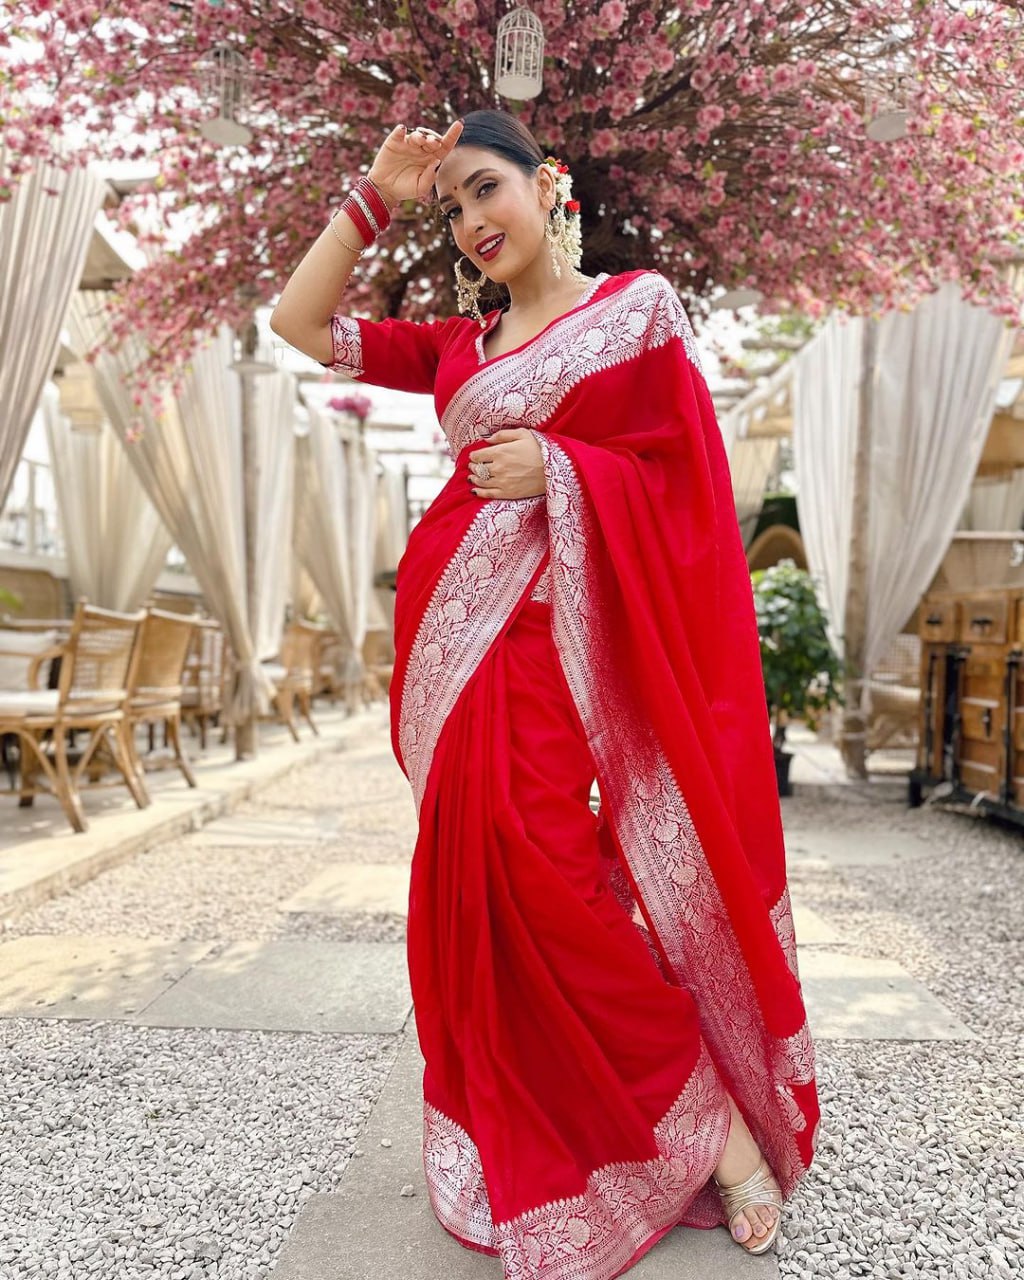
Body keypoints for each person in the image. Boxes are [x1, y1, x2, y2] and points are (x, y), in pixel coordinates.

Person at [271, 107, 820, 1280]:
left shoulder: (634, 311)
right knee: (475, 893)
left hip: (564, 661)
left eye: (487, 190)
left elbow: (685, 487)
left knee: (552, 887)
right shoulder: (459, 353)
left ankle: (717, 1131)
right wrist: (374, 194)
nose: (473, 220)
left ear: (546, 183)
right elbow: (296, 323)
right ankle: (579, 1113)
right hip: (462, 668)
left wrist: (563, 468)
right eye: (454, 205)